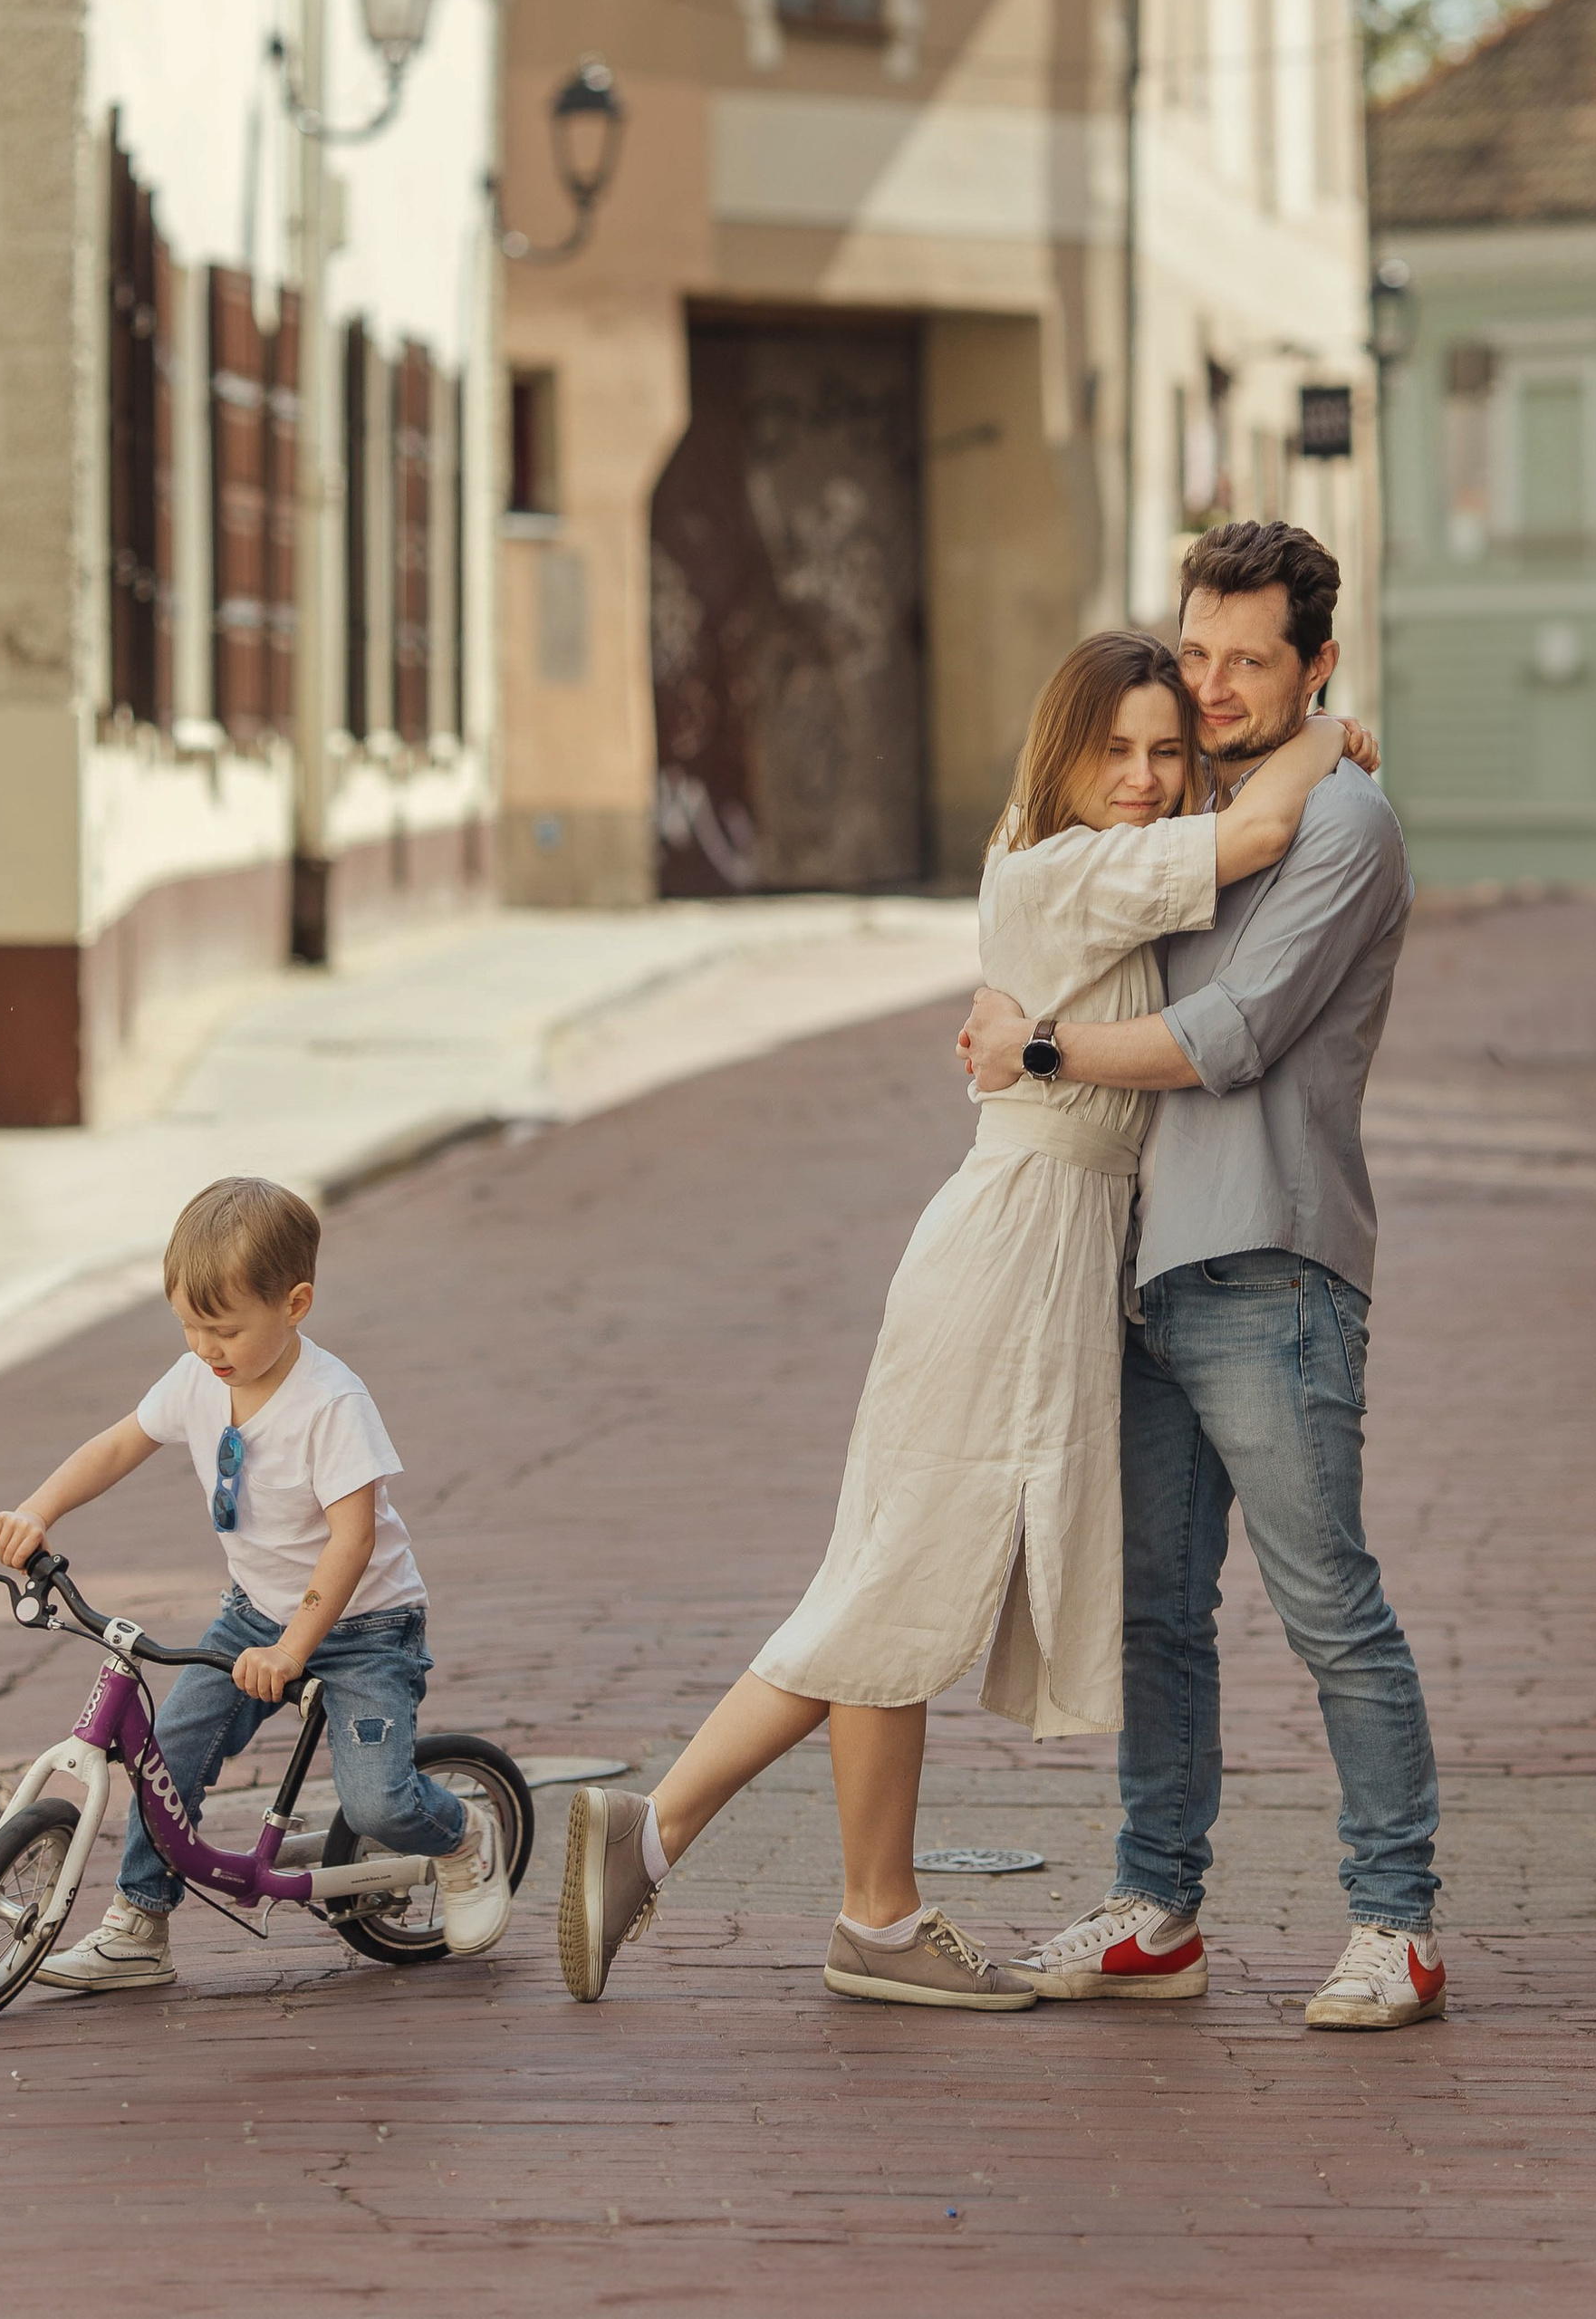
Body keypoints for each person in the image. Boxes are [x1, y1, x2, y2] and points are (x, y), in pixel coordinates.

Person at [557, 630, 1358, 2015]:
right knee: (891, 1582)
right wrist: (1327, 732)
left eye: (1168, 750)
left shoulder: (1082, 875)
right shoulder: (1063, 872)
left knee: (904, 1577)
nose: (1150, 776)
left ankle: (873, 1913)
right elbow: (1266, 826)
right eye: (1116, 749)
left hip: (1037, 1245)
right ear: (1062, 752)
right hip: (1009, 1252)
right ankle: (668, 1828)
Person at [965, 519, 1444, 2033]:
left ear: (1318, 666)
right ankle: (1156, 1903)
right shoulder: (1183, 799)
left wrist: (1034, 1047)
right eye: (1200, 654)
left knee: (1329, 1607)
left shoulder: (1347, 824)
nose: (1219, 684)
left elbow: (1230, 1035)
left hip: (1271, 1265)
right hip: (1144, 1273)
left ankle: (1397, 1921)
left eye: (1253, 660)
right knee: (1157, 1613)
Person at [0, 1173, 510, 1991]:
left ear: (294, 1305)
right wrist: (37, 1511)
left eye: (224, 1328)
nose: (204, 1348)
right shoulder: (200, 1379)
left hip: (366, 1627)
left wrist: (297, 1648)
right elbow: (120, 1444)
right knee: (170, 1755)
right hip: (253, 1615)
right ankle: (139, 1924)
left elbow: (352, 1539)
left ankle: (464, 1840)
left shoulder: (330, 1403)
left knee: (375, 1806)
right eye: (189, 1325)